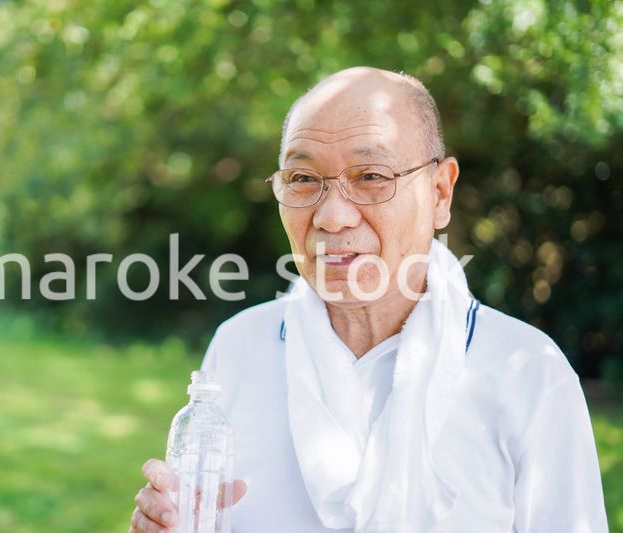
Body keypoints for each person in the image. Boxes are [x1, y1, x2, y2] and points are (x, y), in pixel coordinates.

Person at [129, 67, 608, 533]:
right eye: (302, 179)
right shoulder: (239, 347)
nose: (332, 217)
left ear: (440, 193)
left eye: (372, 176)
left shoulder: (526, 372)